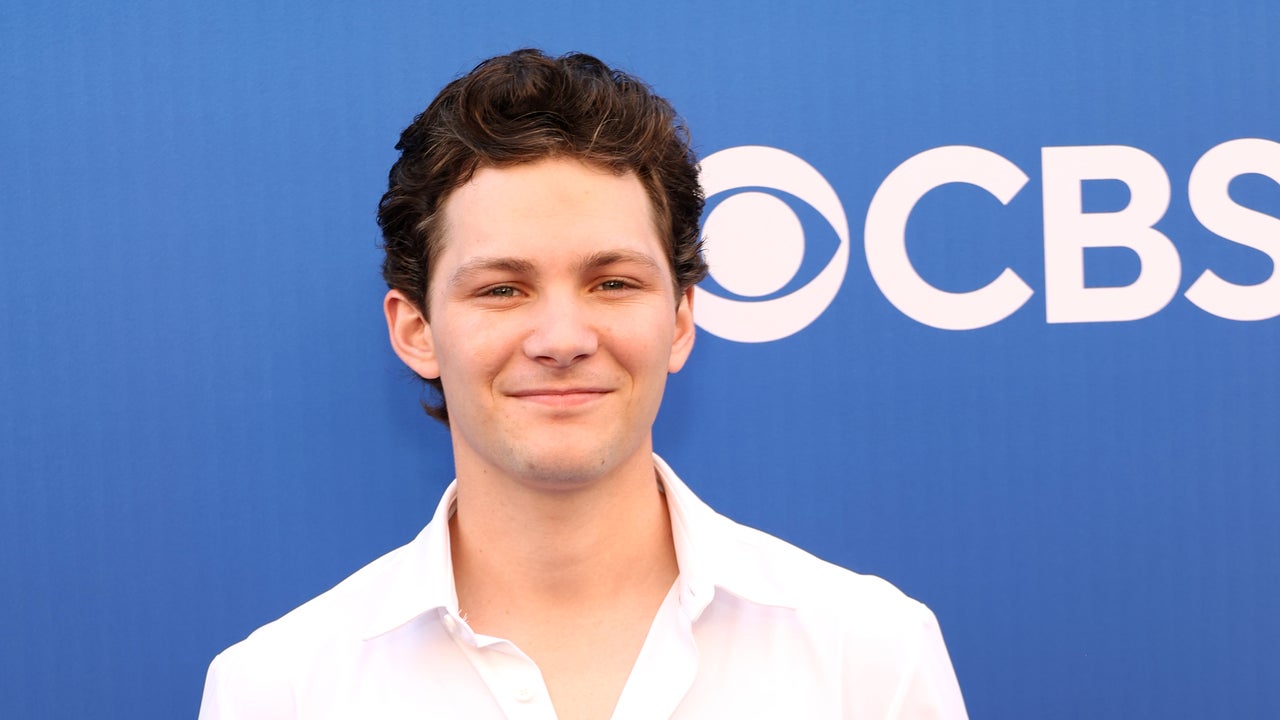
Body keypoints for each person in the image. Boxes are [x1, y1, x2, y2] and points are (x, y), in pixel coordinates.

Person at [198, 48, 968, 720]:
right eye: (502, 289)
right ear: (416, 331)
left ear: (680, 319)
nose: (562, 340)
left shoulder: (868, 654)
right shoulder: (280, 690)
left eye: (612, 283)